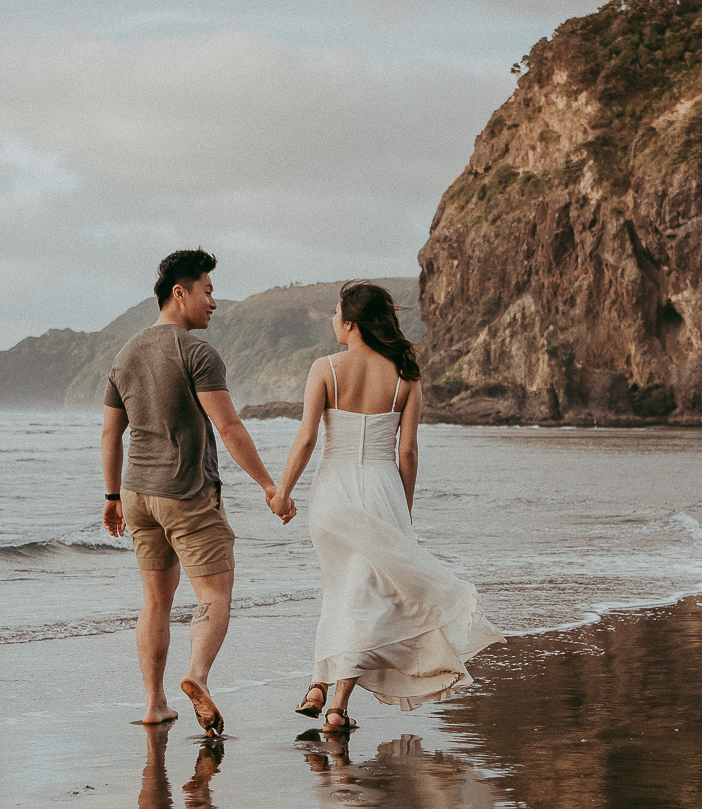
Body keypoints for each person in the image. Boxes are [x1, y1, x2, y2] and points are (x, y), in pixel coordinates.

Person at [269, 282, 502, 731]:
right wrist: (404, 508)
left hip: (333, 492)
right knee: (365, 596)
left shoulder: (326, 368)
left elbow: (308, 438)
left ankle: (322, 687)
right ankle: (334, 702)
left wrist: (283, 492)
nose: (334, 319)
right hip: (382, 490)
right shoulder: (406, 377)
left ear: (351, 321)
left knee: (342, 591)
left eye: (337, 312)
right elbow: (408, 453)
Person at [102, 248, 292, 734]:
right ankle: (198, 676)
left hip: (138, 494)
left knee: (155, 601)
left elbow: (110, 434)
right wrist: (271, 485)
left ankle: (153, 704)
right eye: (207, 292)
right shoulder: (197, 353)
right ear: (179, 292)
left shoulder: (125, 355)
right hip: (186, 492)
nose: (213, 302)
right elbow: (228, 427)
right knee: (215, 591)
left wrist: (111, 497)